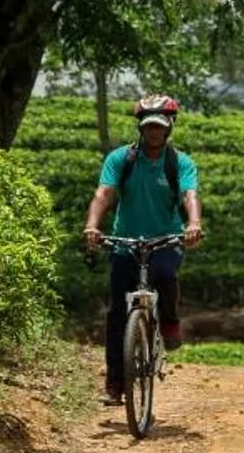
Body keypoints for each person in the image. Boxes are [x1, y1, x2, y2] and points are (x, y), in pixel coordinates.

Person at [82, 95, 204, 407]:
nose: (154, 132)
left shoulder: (180, 163)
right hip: (126, 242)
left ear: (169, 129)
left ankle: (170, 320)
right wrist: (93, 226)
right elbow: (104, 193)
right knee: (117, 313)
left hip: (165, 238)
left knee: (164, 273)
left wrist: (193, 223)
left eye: (159, 127)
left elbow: (190, 194)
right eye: (149, 126)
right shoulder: (121, 159)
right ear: (141, 127)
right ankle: (114, 382)